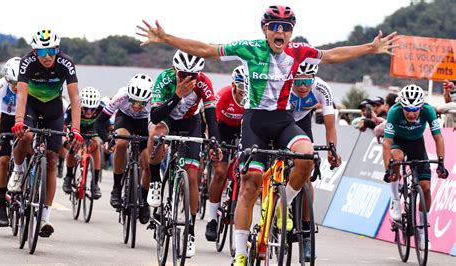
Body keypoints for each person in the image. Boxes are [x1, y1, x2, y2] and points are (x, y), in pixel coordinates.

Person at [137, 5, 398, 265]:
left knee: (306, 157)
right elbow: (207, 49)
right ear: (265, 29)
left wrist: (370, 48)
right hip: (255, 122)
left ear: (291, 31)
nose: (280, 31)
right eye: (275, 26)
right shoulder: (248, 48)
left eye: (286, 27)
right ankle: (240, 253)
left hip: (283, 121)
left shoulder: (299, 52)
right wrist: (166, 37)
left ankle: (284, 205)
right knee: (250, 183)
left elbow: (331, 55)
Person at [8, 28, 83, 238]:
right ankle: (19, 170)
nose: (47, 56)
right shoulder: (27, 62)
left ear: (57, 49)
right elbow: (21, 95)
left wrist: (75, 129)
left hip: (53, 109)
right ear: (34, 52)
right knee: (27, 136)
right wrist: (19, 121)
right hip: (31, 106)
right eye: (41, 52)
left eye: (51, 50)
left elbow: (75, 98)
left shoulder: (66, 63)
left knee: (51, 158)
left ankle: (44, 217)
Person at [147, 50, 221, 258]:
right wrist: (177, 95)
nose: (188, 80)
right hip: (166, 118)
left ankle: (189, 232)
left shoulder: (204, 83)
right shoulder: (165, 79)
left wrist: (215, 142)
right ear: (175, 70)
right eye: (183, 75)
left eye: (193, 76)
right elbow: (154, 115)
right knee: (156, 134)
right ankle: (155, 182)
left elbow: (211, 116)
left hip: (191, 123)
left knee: (191, 176)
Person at [382, 84, 448, 249]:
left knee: (425, 188)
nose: (411, 114)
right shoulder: (394, 112)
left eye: (415, 110)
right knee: (396, 158)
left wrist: (441, 162)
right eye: (407, 110)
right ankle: (396, 200)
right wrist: (387, 169)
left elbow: (438, 138)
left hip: (417, 143)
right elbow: (387, 143)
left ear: (421, 106)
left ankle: (422, 228)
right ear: (402, 106)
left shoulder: (428, 111)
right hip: (398, 141)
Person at [289, 60, 342, 260]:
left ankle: (306, 231)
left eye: (307, 81)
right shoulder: (284, 85)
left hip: (302, 122)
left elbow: (330, 127)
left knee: (306, 173)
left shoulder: (321, 88)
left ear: (314, 78)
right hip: (281, 120)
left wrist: (332, 150)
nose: (303, 86)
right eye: (299, 81)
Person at [94, 74, 153, 224]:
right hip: (125, 119)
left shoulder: (155, 100)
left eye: (140, 103)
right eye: (133, 101)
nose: (136, 105)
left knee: (148, 163)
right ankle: (116, 188)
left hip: (145, 123)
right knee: (121, 143)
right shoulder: (122, 96)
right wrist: (108, 139)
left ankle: (145, 202)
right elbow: (100, 121)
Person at [205, 65, 245, 241]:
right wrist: (212, 144)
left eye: (247, 87)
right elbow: (211, 121)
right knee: (220, 172)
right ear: (234, 85)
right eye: (241, 87)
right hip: (222, 129)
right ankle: (212, 219)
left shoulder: (254, 98)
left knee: (247, 173)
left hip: (243, 131)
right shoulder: (224, 94)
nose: (244, 92)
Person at [0, 57, 20, 226]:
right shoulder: (0, 86)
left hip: (22, 117)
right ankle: (1, 206)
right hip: (5, 118)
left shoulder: (28, 84)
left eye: (19, 82)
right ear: (7, 79)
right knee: (2, 160)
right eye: (13, 83)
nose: (16, 86)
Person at [62, 87, 103, 199]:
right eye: (85, 109)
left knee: (96, 145)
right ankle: (69, 176)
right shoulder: (72, 108)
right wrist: (65, 140)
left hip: (92, 129)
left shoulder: (102, 109)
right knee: (73, 147)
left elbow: (108, 126)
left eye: (92, 109)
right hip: (76, 127)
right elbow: (64, 127)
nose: (89, 112)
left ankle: (94, 184)